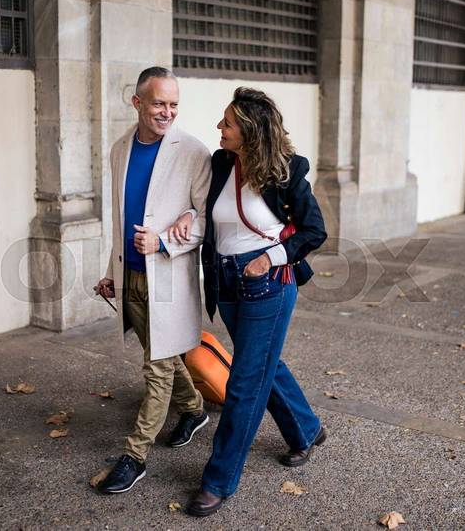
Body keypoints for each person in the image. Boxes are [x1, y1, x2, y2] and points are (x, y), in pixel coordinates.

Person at [177, 87, 328, 516]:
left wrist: (270, 258)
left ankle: (218, 481)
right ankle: (307, 428)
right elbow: (204, 211)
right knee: (263, 363)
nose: (219, 128)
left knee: (244, 384)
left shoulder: (286, 173)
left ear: (250, 131)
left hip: (269, 285)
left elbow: (315, 232)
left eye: (227, 123)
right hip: (226, 282)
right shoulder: (222, 163)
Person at [92, 67, 212, 495]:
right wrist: (112, 271)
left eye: (174, 104)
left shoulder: (193, 152)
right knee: (158, 353)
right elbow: (121, 219)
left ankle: (135, 455)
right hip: (131, 276)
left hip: (169, 277)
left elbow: (205, 222)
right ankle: (194, 409)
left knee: (156, 368)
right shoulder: (120, 148)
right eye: (159, 103)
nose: (167, 112)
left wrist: (162, 240)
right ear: (137, 102)